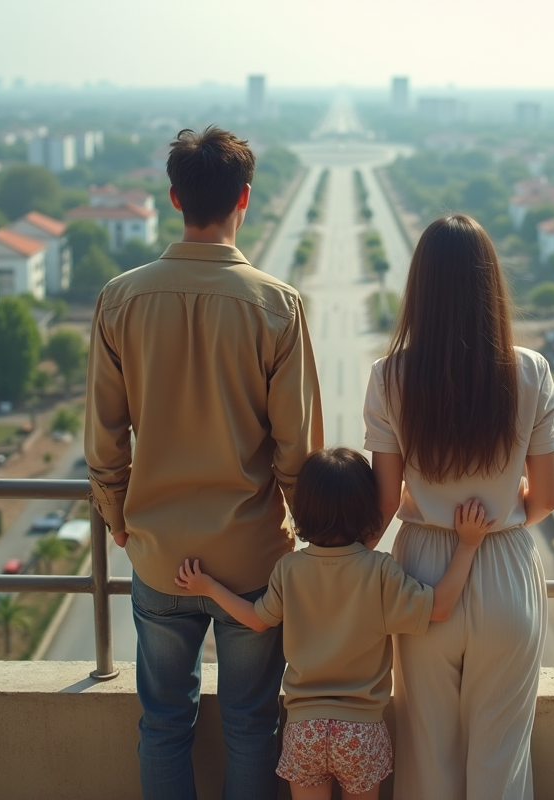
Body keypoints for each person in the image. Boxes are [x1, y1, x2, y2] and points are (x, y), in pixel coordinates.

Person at [84, 126, 323, 800]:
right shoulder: (276, 305)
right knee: (251, 723)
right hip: (251, 558)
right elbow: (296, 445)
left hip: (158, 552)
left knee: (163, 722)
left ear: (173, 197)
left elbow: (105, 440)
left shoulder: (119, 299)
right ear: (245, 197)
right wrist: (307, 532)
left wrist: (119, 520)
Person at [362, 214, 554, 800]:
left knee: (428, 760)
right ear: (491, 285)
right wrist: (496, 515)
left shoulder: (389, 377)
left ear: (419, 286)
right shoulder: (531, 371)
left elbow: (381, 503)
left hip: (423, 576)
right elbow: (547, 498)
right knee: (500, 762)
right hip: (504, 568)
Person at [175, 447, 492, 800]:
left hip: (304, 730)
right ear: (366, 510)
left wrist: (208, 587)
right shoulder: (380, 571)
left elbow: (257, 619)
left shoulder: (289, 569)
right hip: (361, 731)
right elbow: (441, 608)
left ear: (305, 510)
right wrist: (467, 544)